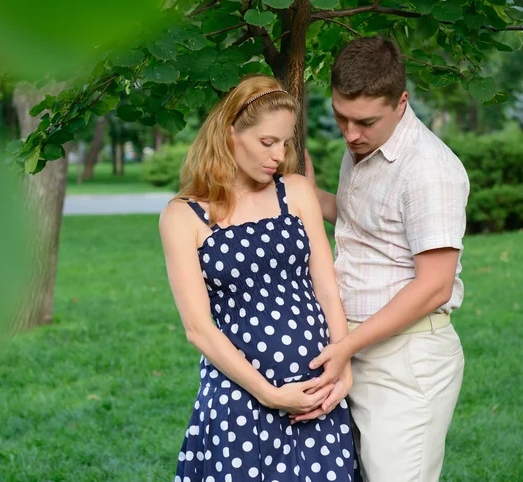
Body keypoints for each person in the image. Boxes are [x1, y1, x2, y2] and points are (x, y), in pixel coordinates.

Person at [160, 74, 361, 481]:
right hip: (241, 397)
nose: (277, 155)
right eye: (266, 142)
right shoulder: (184, 216)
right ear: (230, 134)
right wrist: (270, 394)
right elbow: (199, 329)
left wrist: (342, 365)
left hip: (317, 391)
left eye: (284, 143)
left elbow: (325, 286)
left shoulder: (297, 191)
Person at [294, 36, 469, 482]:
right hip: (352, 346)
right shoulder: (366, 148)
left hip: (405, 359)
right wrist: (297, 172)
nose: (350, 134)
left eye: (365, 122)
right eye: (340, 117)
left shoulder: (428, 169)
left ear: (401, 102)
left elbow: (435, 285)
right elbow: (358, 222)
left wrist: (347, 347)